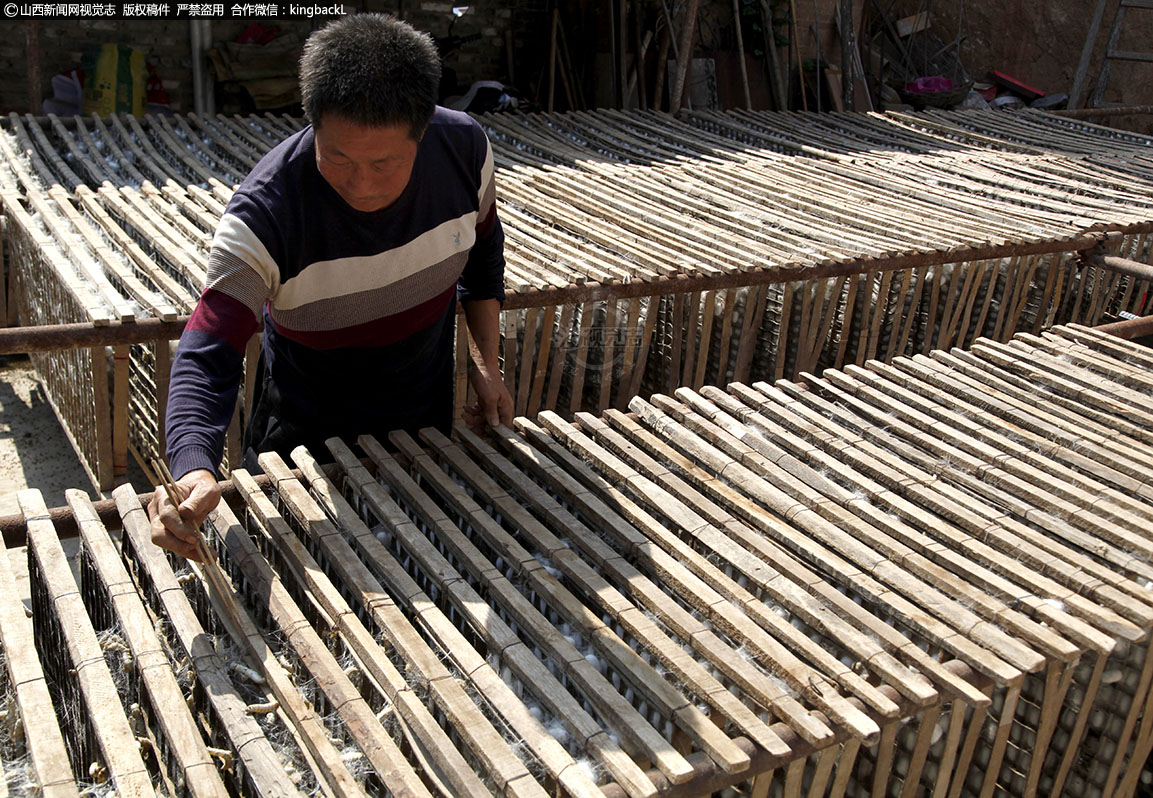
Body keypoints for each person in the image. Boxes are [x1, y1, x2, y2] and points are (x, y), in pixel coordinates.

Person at [150, 13, 512, 561]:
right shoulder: (264, 216)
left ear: (424, 131)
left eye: (384, 163)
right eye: (336, 157)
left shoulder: (463, 152)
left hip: (422, 421)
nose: (359, 183)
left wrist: (487, 367)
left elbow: (482, 260)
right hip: (302, 445)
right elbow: (209, 353)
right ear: (312, 123)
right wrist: (194, 467)